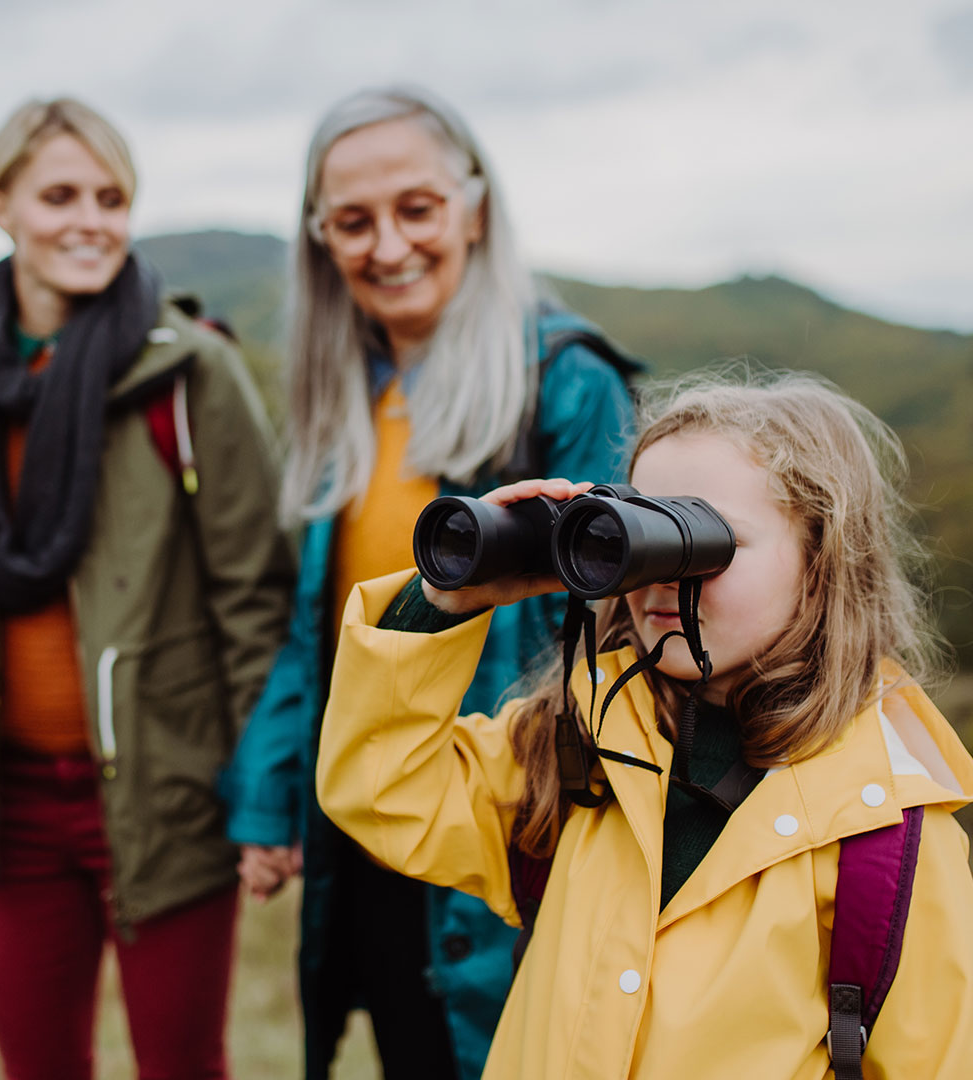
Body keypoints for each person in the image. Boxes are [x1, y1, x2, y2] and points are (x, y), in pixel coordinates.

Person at [315, 370, 973, 1079]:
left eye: (707, 540)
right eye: (644, 533)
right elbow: (379, 787)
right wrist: (445, 600)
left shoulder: (885, 838)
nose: (667, 576)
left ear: (821, 560)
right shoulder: (572, 751)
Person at [219, 85, 636, 1080]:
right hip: (369, 817)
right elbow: (313, 633)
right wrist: (270, 802)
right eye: (353, 222)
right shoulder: (348, 391)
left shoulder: (569, 383)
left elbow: (617, 634)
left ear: (474, 208)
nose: (388, 244)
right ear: (321, 239)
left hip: (498, 835)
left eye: (417, 209)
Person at [0, 97, 293, 1080]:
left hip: (173, 794)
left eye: (112, 197)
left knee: (183, 1068)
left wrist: (266, 799)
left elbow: (256, 605)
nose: (90, 220)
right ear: (1, 205)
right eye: (59, 194)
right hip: (13, 803)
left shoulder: (194, 374)